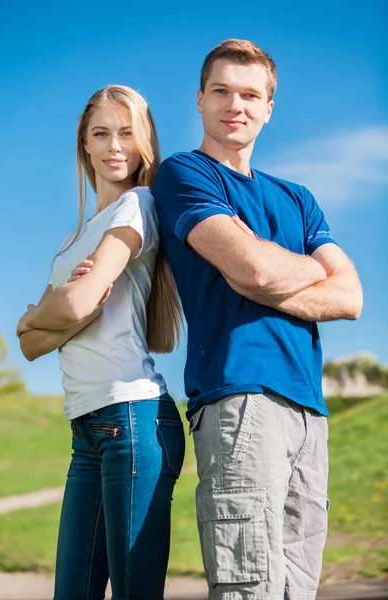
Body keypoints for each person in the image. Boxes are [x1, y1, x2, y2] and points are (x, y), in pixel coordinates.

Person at [152, 39, 363, 600]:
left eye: (250, 94)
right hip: (240, 400)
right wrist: (281, 271)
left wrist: (263, 270)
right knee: (250, 589)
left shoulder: (298, 198)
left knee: (300, 589)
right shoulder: (184, 175)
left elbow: (351, 297)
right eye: (221, 91)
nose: (234, 105)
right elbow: (253, 270)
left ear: (269, 107)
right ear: (199, 99)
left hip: (309, 412)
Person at [17, 85, 185, 600]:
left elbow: (63, 309)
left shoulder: (137, 206)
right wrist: (62, 312)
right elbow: (28, 344)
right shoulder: (74, 240)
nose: (115, 145)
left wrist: (48, 314)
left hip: (134, 420)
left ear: (144, 144)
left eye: (128, 133)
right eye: (101, 133)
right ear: (84, 146)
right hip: (87, 433)